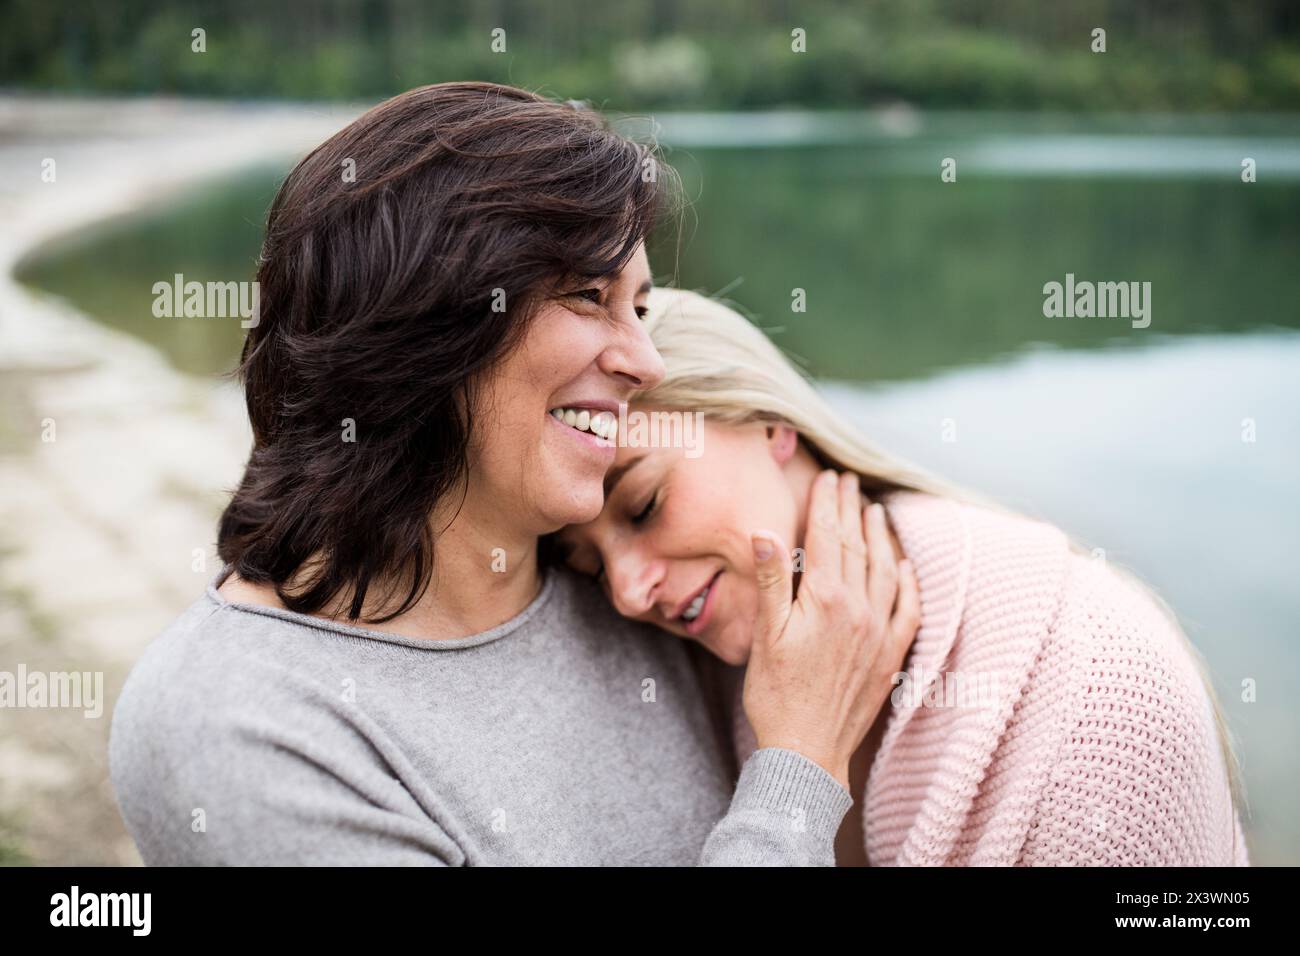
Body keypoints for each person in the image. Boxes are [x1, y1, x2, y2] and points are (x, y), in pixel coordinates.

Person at [109, 82, 917, 866]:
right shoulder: (240, 721)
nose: (645, 359)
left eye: (639, 307)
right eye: (588, 296)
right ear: (428, 324)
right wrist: (800, 766)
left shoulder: (630, 596)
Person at [555, 287, 1251, 866]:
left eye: (644, 505)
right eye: (590, 567)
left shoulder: (1094, 690)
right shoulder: (685, 684)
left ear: (770, 424)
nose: (625, 591)